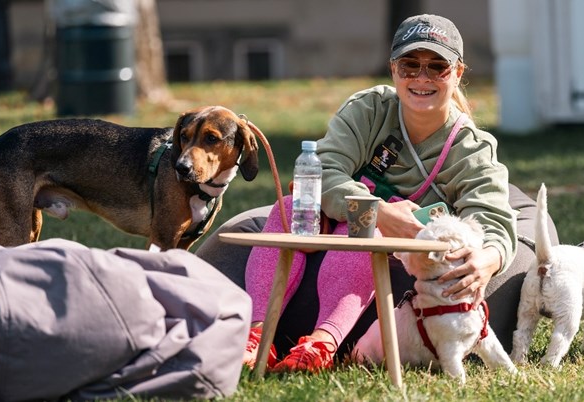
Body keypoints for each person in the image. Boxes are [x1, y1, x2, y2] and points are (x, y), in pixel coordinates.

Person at [196, 13, 559, 373]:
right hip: (340, 222)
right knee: (293, 207)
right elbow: (323, 169)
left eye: (437, 67)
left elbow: (494, 215)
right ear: (393, 69)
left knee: (367, 229)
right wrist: (380, 211)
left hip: (406, 252)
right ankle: (257, 335)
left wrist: (488, 261)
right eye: (409, 65)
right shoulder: (370, 109)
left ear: (458, 73)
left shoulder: (471, 147)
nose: (422, 77)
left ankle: (323, 342)